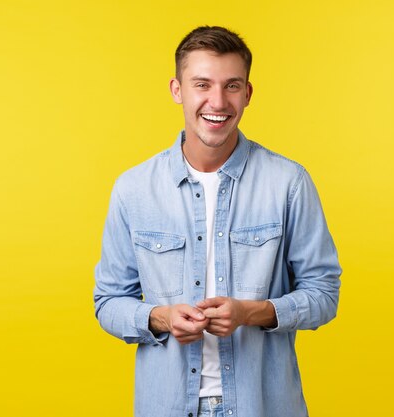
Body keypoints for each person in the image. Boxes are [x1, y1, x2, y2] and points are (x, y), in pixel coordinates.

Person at [94, 25, 342, 417]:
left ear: (247, 93)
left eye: (231, 86)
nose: (218, 101)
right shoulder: (134, 189)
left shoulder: (288, 183)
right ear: (178, 90)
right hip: (168, 405)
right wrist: (161, 317)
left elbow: (324, 294)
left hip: (263, 405)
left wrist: (251, 312)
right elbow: (108, 302)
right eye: (202, 84)